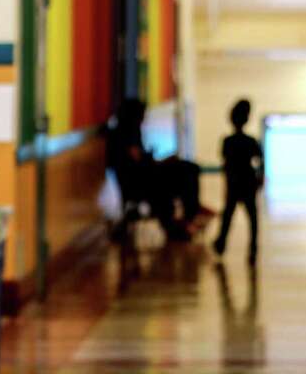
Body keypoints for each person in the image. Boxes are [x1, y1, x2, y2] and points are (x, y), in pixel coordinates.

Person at [107, 98, 206, 241]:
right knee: (187, 172)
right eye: (141, 115)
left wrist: (156, 161)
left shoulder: (129, 131)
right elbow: (136, 164)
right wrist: (155, 161)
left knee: (190, 169)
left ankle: (189, 216)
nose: (143, 119)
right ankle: (188, 217)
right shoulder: (123, 134)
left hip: (146, 177)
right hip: (142, 182)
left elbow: (139, 159)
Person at [212, 98, 264, 264]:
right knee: (252, 219)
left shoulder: (228, 142)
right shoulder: (251, 141)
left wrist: (226, 184)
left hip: (235, 182)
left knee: (228, 215)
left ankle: (221, 243)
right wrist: (259, 179)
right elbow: (261, 162)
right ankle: (252, 249)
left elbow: (226, 165)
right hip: (247, 181)